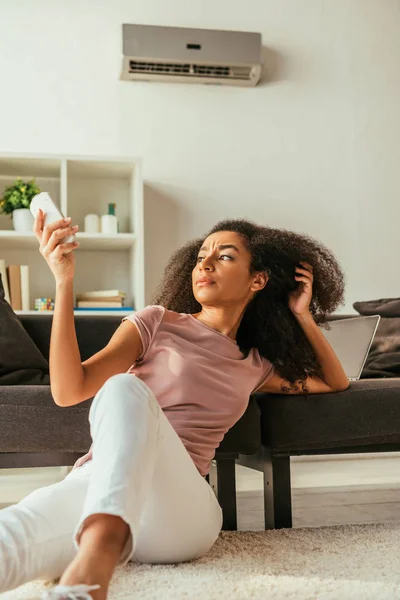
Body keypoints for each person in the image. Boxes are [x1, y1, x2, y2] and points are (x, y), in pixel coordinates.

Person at [0, 212, 349, 600]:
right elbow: (69, 391)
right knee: (12, 537)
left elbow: (335, 381)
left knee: (124, 390)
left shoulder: (255, 365)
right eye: (202, 255)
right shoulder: (156, 323)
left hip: (179, 514)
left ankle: (95, 561)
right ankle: (93, 562)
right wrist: (63, 282)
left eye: (226, 256)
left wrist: (302, 314)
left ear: (258, 280)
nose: (206, 263)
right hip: (100, 483)